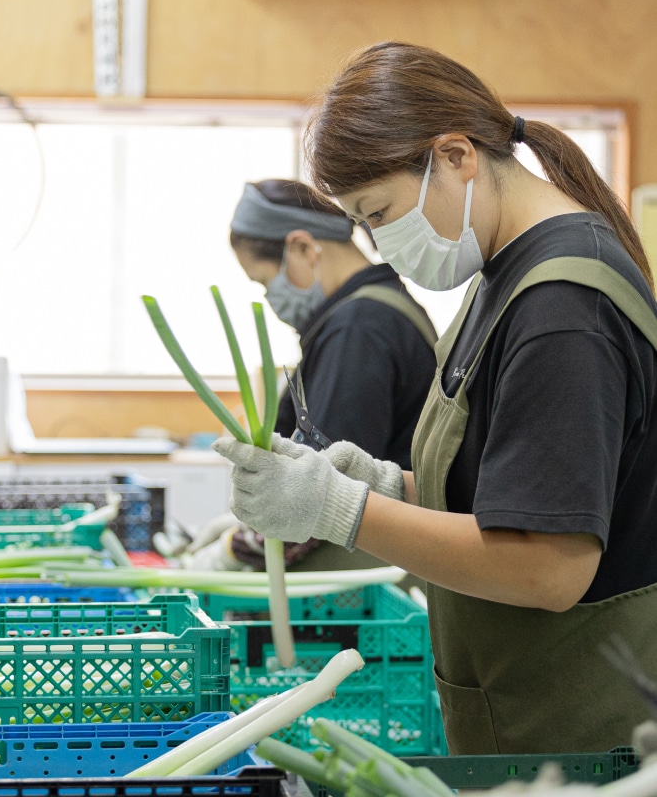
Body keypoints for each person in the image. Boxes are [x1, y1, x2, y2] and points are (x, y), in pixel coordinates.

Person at [211, 41, 657, 756]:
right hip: (521, 710)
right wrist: (390, 486)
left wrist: (341, 510)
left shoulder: (563, 305)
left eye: (382, 212)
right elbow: (510, 495)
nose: (382, 246)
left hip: (588, 733)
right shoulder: (501, 278)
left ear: (456, 156)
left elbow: (547, 564)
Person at [187, 178, 437, 572]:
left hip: (366, 573)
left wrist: (232, 553)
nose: (270, 298)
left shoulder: (359, 328)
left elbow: (320, 489)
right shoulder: (374, 310)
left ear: (303, 247)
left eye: (265, 281)